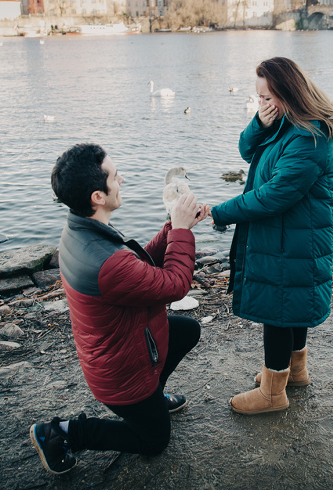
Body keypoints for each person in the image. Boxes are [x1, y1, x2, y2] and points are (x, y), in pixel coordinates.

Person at [30, 143, 208, 474]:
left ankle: (153, 400)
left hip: (122, 347)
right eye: (115, 175)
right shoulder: (104, 260)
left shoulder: (81, 228)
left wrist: (175, 227)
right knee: (155, 442)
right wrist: (181, 231)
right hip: (120, 375)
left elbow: (141, 269)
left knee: (187, 331)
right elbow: (174, 285)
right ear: (98, 196)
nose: (122, 180)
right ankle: (60, 433)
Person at [210, 57, 333, 415]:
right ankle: (295, 371)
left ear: (288, 93)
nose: (263, 104)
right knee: (293, 305)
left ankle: (273, 392)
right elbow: (246, 151)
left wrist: (219, 212)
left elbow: (273, 196)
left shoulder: (308, 138)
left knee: (279, 310)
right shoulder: (285, 122)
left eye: (267, 98)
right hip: (291, 236)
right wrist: (259, 122)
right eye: (258, 98)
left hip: (293, 238)